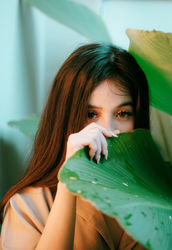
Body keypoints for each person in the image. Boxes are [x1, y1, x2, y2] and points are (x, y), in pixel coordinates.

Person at [0, 43, 149, 249]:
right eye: (91, 114)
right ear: (65, 118)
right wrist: (68, 183)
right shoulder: (29, 206)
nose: (107, 131)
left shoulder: (161, 201)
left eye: (122, 114)